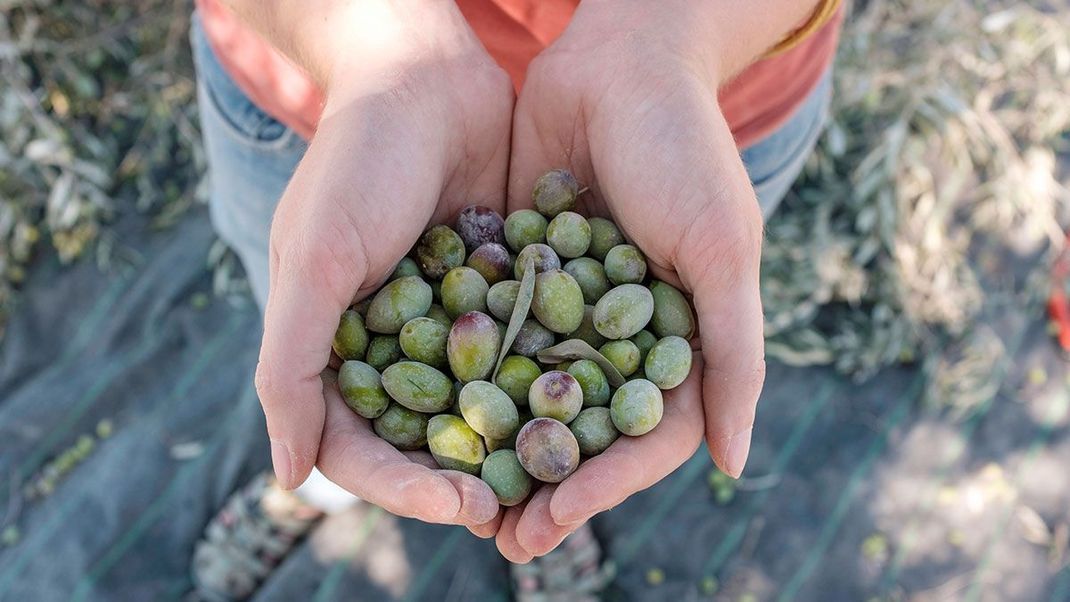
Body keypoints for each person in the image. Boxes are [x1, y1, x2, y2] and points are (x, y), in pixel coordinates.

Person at [188, 0, 843, 599]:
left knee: (521, 483)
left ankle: (552, 520)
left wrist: (664, 50)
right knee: (316, 345)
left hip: (690, 115)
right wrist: (380, 54)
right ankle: (318, 482)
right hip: (337, 109)